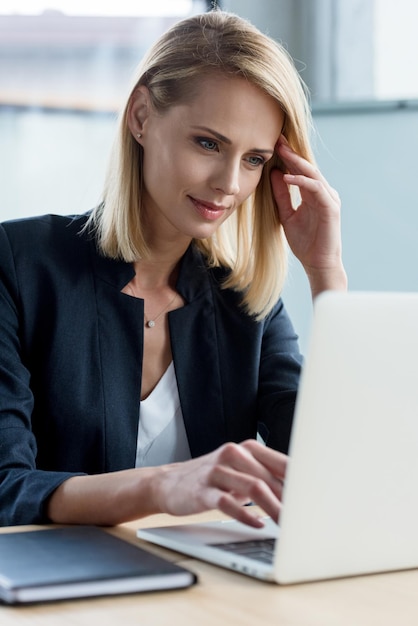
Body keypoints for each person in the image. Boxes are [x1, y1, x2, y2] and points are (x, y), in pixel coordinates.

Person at [0, 10, 347, 528]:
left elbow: (334, 467)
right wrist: (164, 486)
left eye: (254, 159)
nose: (229, 183)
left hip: (206, 593)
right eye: (208, 143)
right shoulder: (20, 264)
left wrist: (327, 275)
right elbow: (8, 488)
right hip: (57, 599)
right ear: (141, 116)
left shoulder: (244, 298)